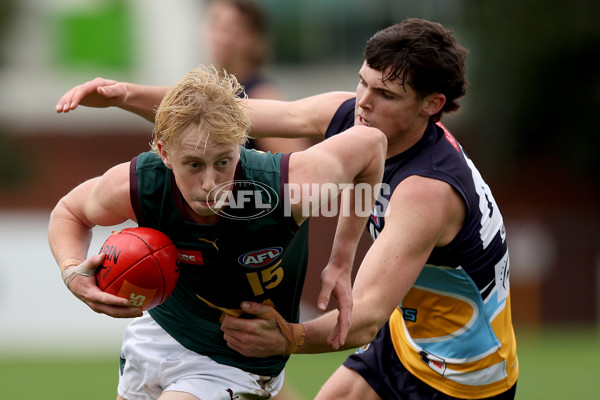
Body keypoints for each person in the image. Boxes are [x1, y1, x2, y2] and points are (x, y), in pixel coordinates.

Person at [54, 18, 519, 400]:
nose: (363, 101)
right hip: (404, 342)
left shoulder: (427, 192)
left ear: (431, 106)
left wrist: (288, 337)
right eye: (363, 82)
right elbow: (227, 113)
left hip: (465, 375)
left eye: (386, 95)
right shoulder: (352, 116)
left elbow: (367, 315)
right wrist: (123, 95)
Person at [49, 64, 387, 400]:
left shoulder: (286, 187)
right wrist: (71, 273)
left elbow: (371, 144)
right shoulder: (139, 185)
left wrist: (342, 260)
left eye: (223, 162)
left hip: (237, 360)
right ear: (165, 153)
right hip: (160, 331)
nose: (211, 184)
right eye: (194, 164)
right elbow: (69, 212)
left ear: (239, 144)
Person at [204, 0, 309, 154]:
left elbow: (296, 162)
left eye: (230, 30)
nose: (220, 38)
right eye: (215, 26)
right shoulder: (215, 92)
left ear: (253, 38)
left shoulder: (260, 95)